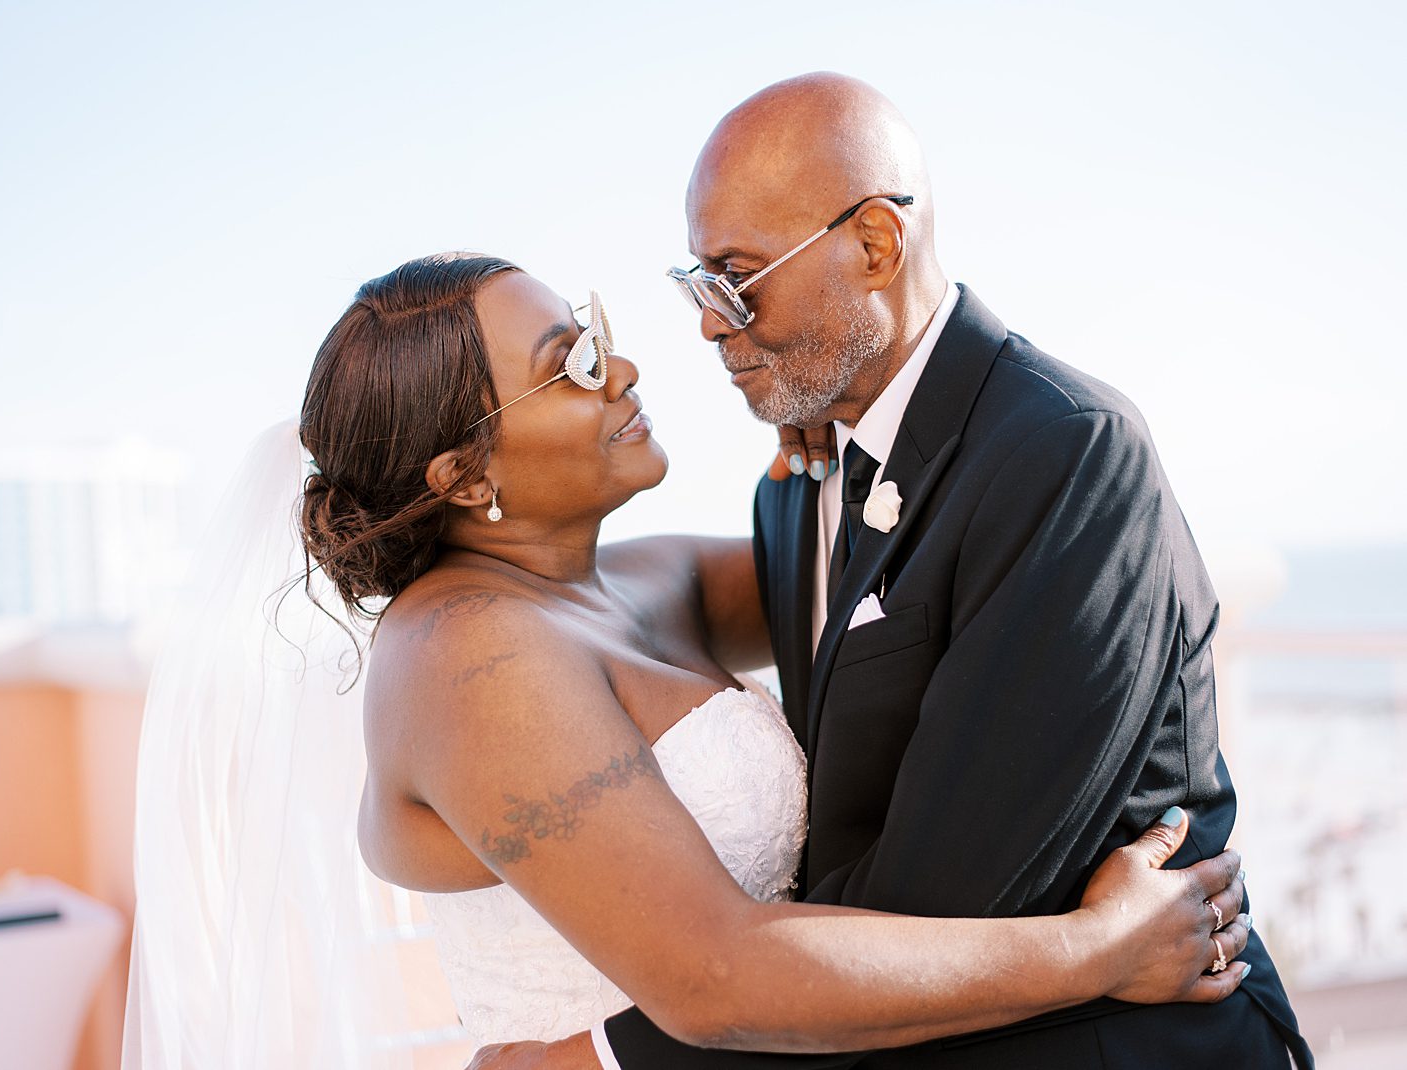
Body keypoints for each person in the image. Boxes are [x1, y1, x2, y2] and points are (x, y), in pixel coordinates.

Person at [419, 75, 1315, 1069]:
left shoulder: (1062, 452)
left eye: (736, 275)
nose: (710, 324)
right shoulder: (799, 487)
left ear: (875, 246)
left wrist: (592, 1057)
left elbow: (940, 898)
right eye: (697, 282)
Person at [294, 252, 1254, 1062]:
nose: (621, 368)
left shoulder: (639, 582)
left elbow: (901, 561)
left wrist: (851, 413)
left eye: (596, 330)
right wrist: (1097, 950)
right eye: (572, 362)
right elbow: (715, 977)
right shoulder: (465, 655)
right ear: (465, 476)